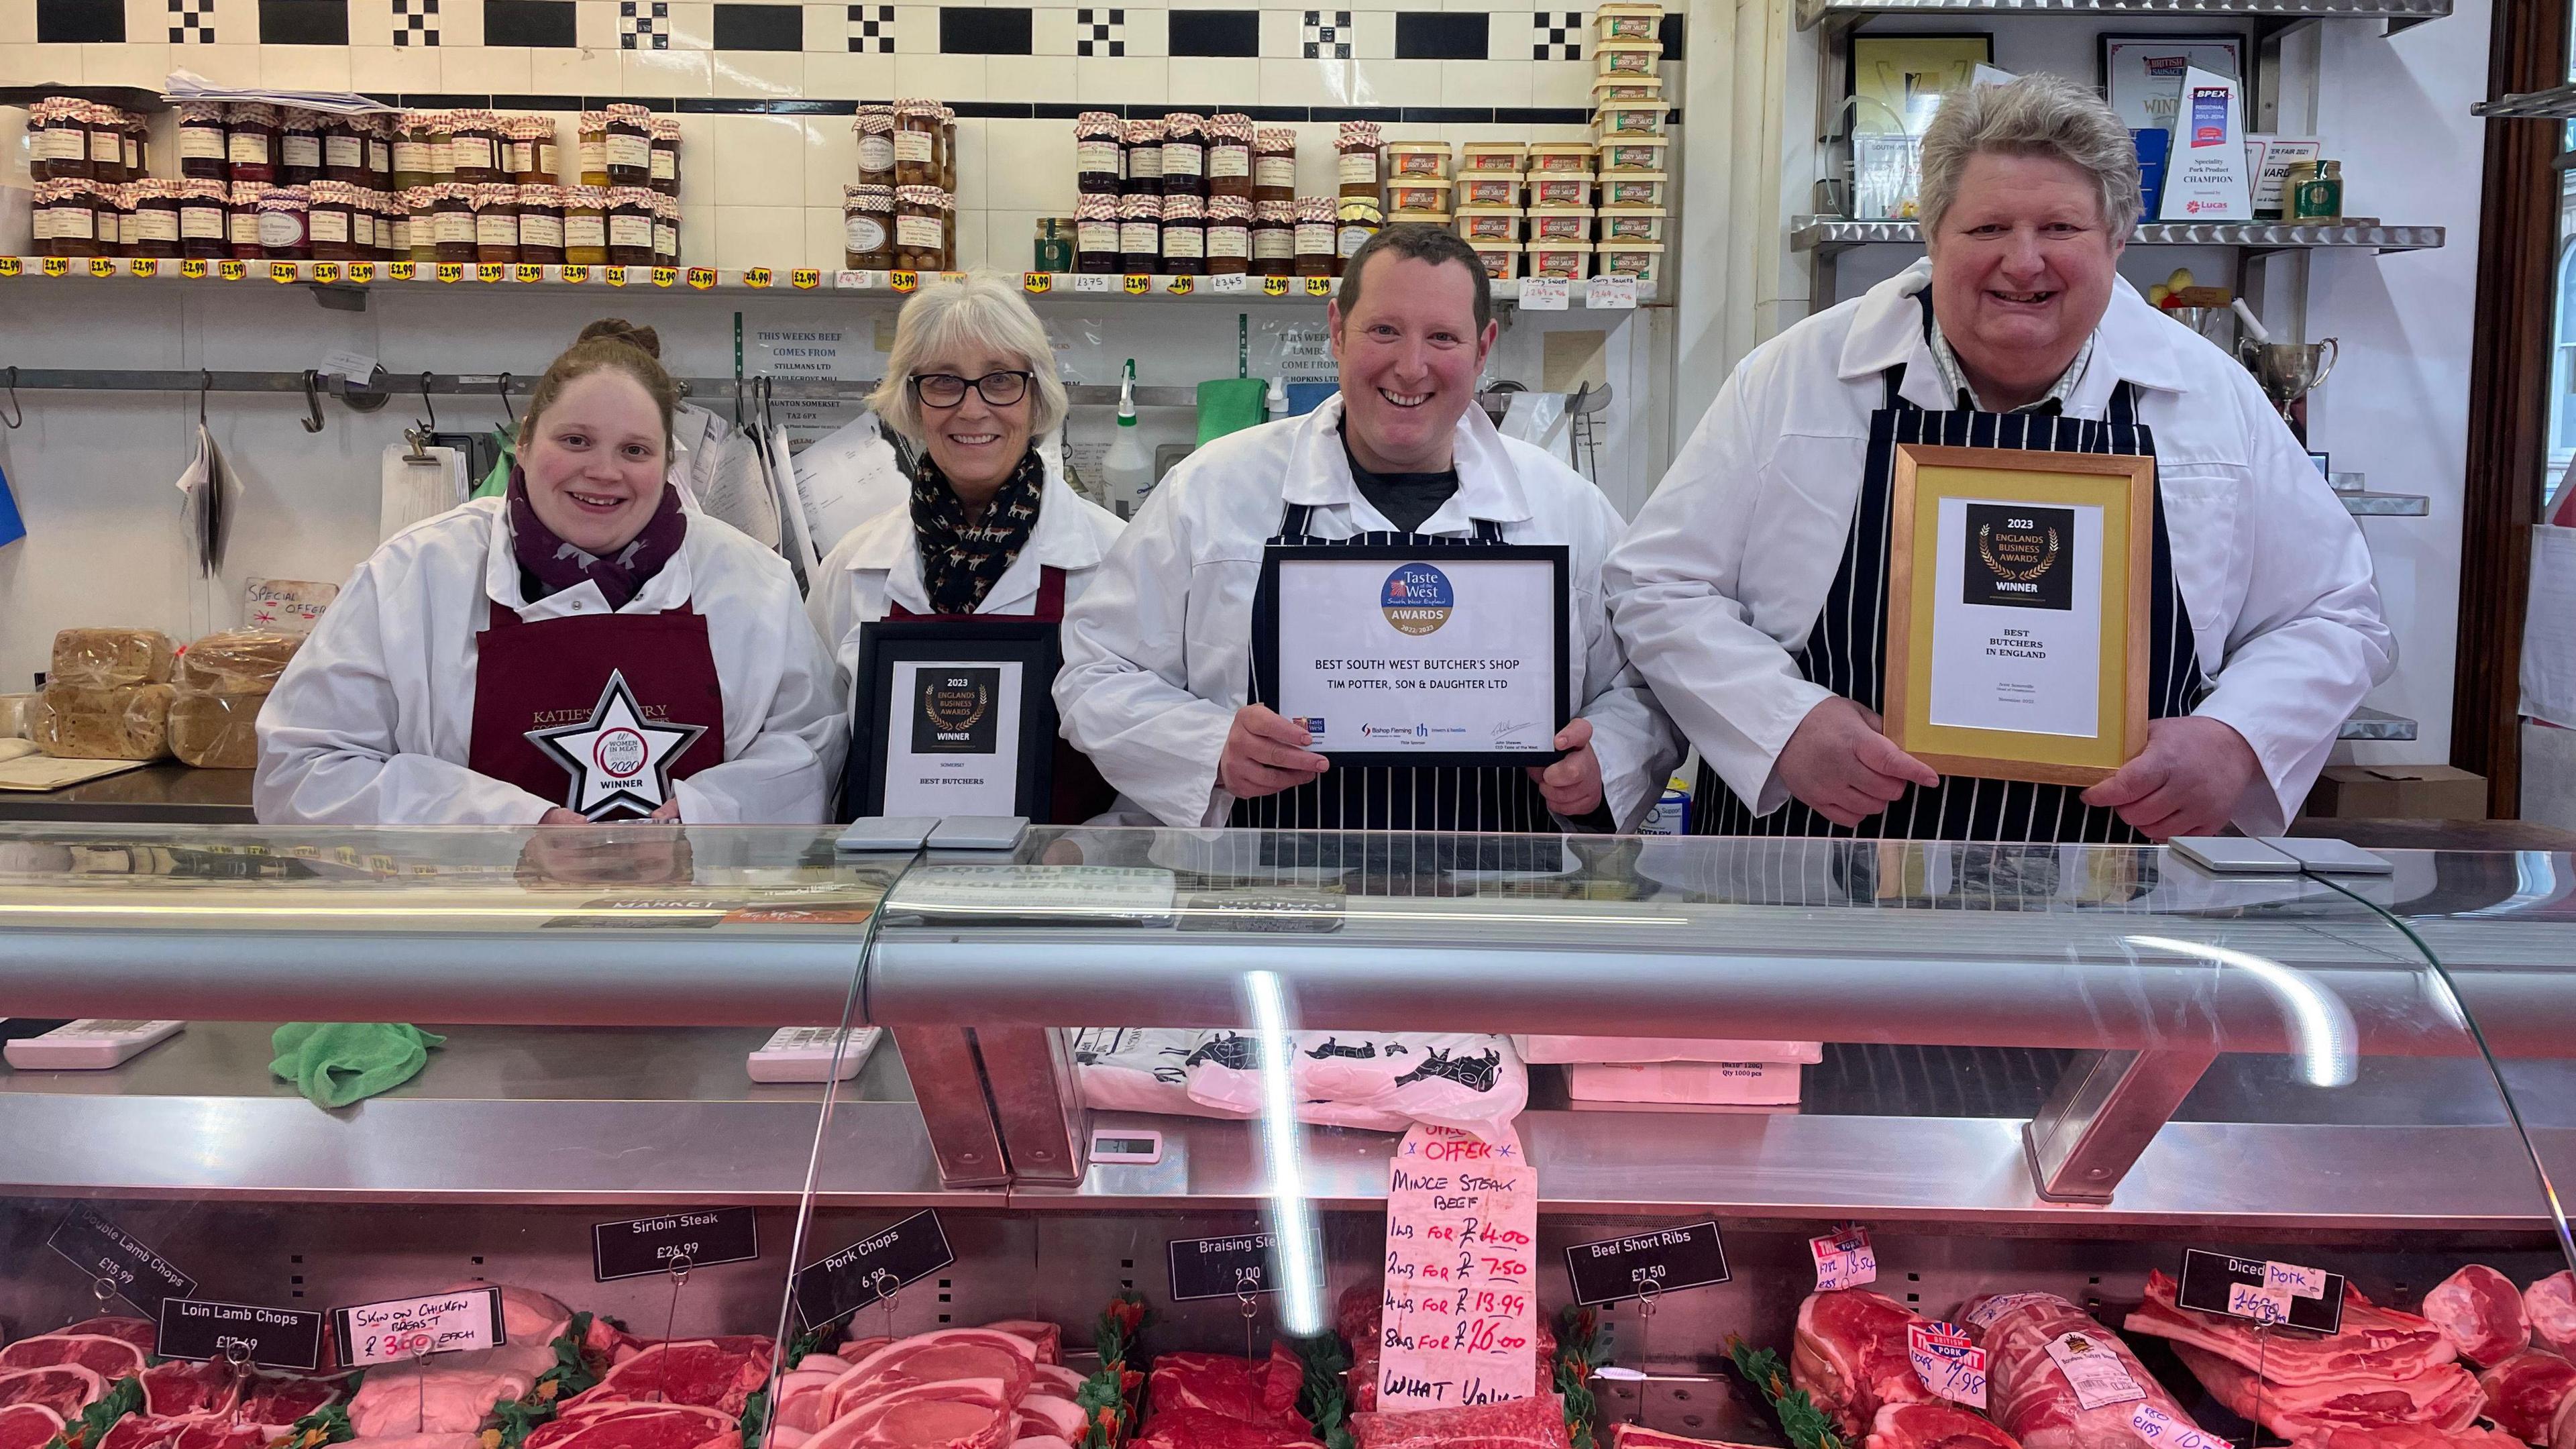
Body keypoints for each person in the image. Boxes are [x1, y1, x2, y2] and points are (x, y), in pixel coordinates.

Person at [1605, 74, 2392, 843]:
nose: (2023, 263)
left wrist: (2235, 740)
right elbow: (1659, 583)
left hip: (2114, 885)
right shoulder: (1796, 377)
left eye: (2060, 229)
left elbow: (2333, 612)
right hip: (1819, 864)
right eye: (1987, 230)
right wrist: (1782, 725)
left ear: (2118, 240)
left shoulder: (2211, 398)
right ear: (1933, 233)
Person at [1056, 224, 1678, 832]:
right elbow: (1096, 673)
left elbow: (1647, 684)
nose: (1411, 367)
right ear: (1337, 331)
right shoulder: (1214, 491)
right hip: (1268, 904)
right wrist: (1210, 748)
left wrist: (1608, 762)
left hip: (1499, 902)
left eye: (1442, 337)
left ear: (1484, 348)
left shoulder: (1565, 506)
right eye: (1384, 330)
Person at [256, 320, 843, 825]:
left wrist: (706, 814)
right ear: (528, 441)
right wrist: (507, 826)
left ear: (669, 461)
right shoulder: (416, 575)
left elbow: (811, 750)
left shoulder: (752, 583)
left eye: (635, 450)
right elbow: (302, 773)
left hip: (692, 942)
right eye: (576, 440)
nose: (604, 471)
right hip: (478, 943)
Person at [807, 272, 1125, 822]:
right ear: (913, 398)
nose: (973, 409)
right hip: (890, 886)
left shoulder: (1115, 560)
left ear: (1036, 394)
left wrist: (1084, 851)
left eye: (1000, 380)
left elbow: (1155, 761)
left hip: (1062, 888)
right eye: (944, 382)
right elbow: (813, 752)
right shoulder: (854, 568)